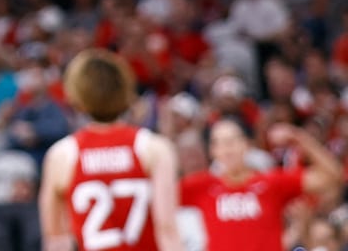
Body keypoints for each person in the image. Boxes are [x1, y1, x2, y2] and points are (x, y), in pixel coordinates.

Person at [38, 49, 180, 251]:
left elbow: (56, 239)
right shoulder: (153, 148)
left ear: (76, 96)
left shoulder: (61, 154)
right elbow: (166, 228)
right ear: (125, 91)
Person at [179, 117, 342, 251]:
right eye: (219, 143)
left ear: (247, 144)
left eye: (232, 141)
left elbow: (332, 176)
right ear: (212, 151)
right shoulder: (201, 186)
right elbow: (156, 197)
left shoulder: (271, 183)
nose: (227, 148)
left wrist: (298, 137)